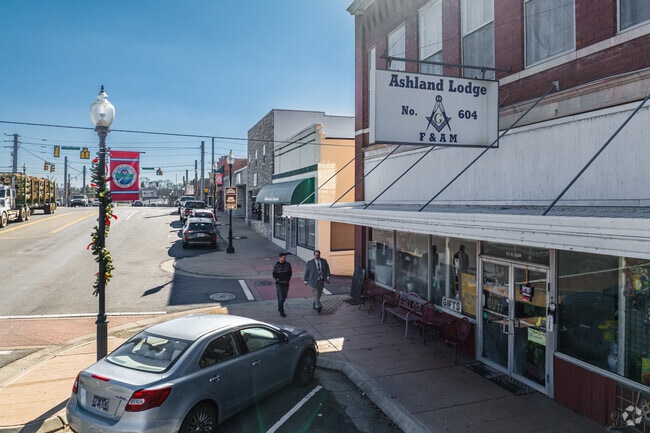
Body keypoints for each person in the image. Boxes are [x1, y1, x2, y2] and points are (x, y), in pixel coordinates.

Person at [272, 252, 292, 317]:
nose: (284, 259)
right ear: (280, 258)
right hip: (279, 284)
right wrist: (277, 279)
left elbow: (290, 272)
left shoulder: (288, 264)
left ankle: (280, 306)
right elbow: (274, 274)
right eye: (283, 258)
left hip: (286, 283)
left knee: (284, 296)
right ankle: (282, 311)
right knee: (280, 297)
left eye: (285, 258)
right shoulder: (276, 266)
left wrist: (288, 278)